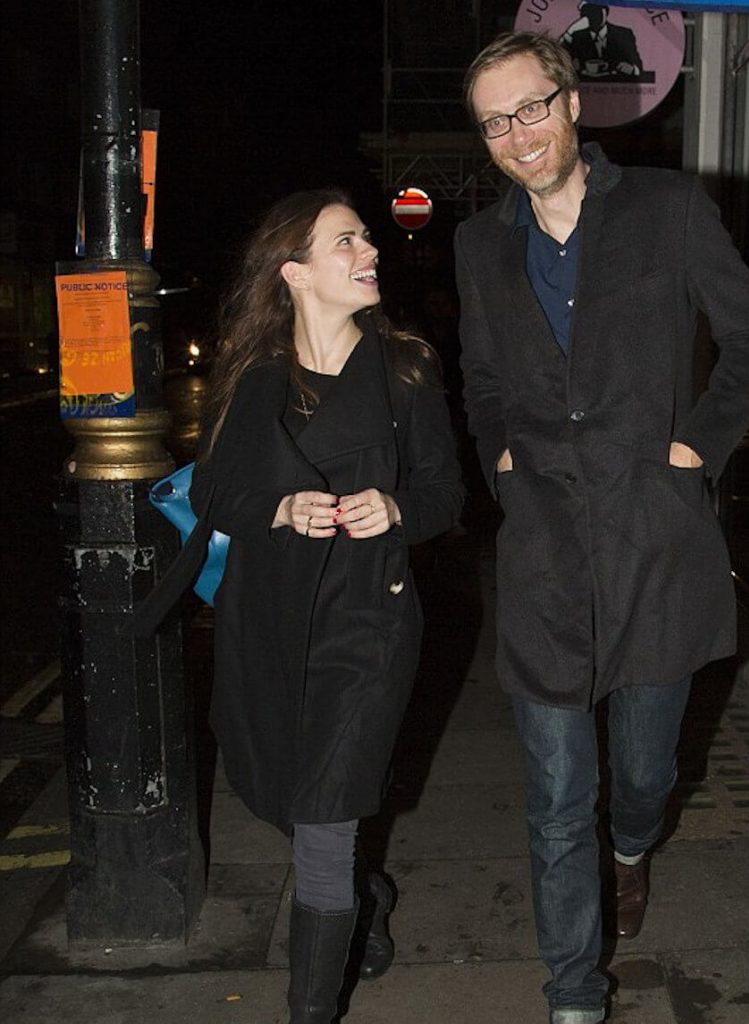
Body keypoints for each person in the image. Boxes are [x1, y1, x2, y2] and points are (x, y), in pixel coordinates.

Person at [455, 32, 749, 1024]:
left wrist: (695, 448)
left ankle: (634, 847)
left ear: (570, 103)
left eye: (532, 107)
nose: (519, 133)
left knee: (639, 775)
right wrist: (503, 462)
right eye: (495, 120)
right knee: (559, 796)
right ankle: (574, 997)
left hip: (656, 542)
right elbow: (480, 384)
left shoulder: (669, 210)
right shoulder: (479, 245)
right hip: (544, 554)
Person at [136, 189, 464, 1023]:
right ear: (295, 273)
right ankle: (369, 896)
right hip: (267, 621)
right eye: (345, 241)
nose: (370, 251)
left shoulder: (408, 367)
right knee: (286, 799)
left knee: (323, 821)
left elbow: (444, 494)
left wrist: (394, 507)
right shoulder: (252, 380)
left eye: (366, 237)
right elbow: (213, 489)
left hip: (368, 627)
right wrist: (278, 509)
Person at [561, 3, 643, 81]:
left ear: (606, 13)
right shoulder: (576, 36)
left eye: (598, 11)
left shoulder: (623, 34)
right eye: (590, 11)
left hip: (616, 88)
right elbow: (556, 57)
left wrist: (632, 69)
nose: (595, 16)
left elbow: (638, 68)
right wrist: (570, 31)